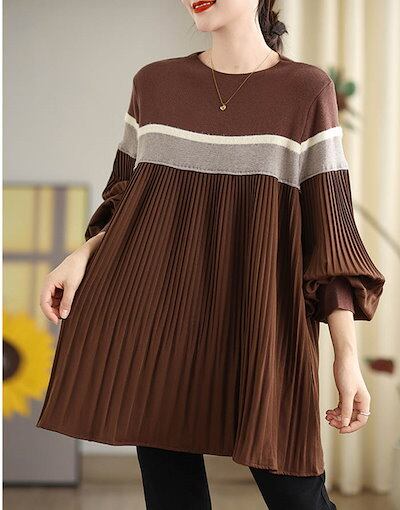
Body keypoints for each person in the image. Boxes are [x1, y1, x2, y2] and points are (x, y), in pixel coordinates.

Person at [37, 0, 385, 508]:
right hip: (157, 322)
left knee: (298, 499)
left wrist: (346, 360)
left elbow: (327, 235)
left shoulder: (307, 91)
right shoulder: (154, 84)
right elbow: (129, 200)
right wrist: (84, 254)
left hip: (260, 324)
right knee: (172, 499)